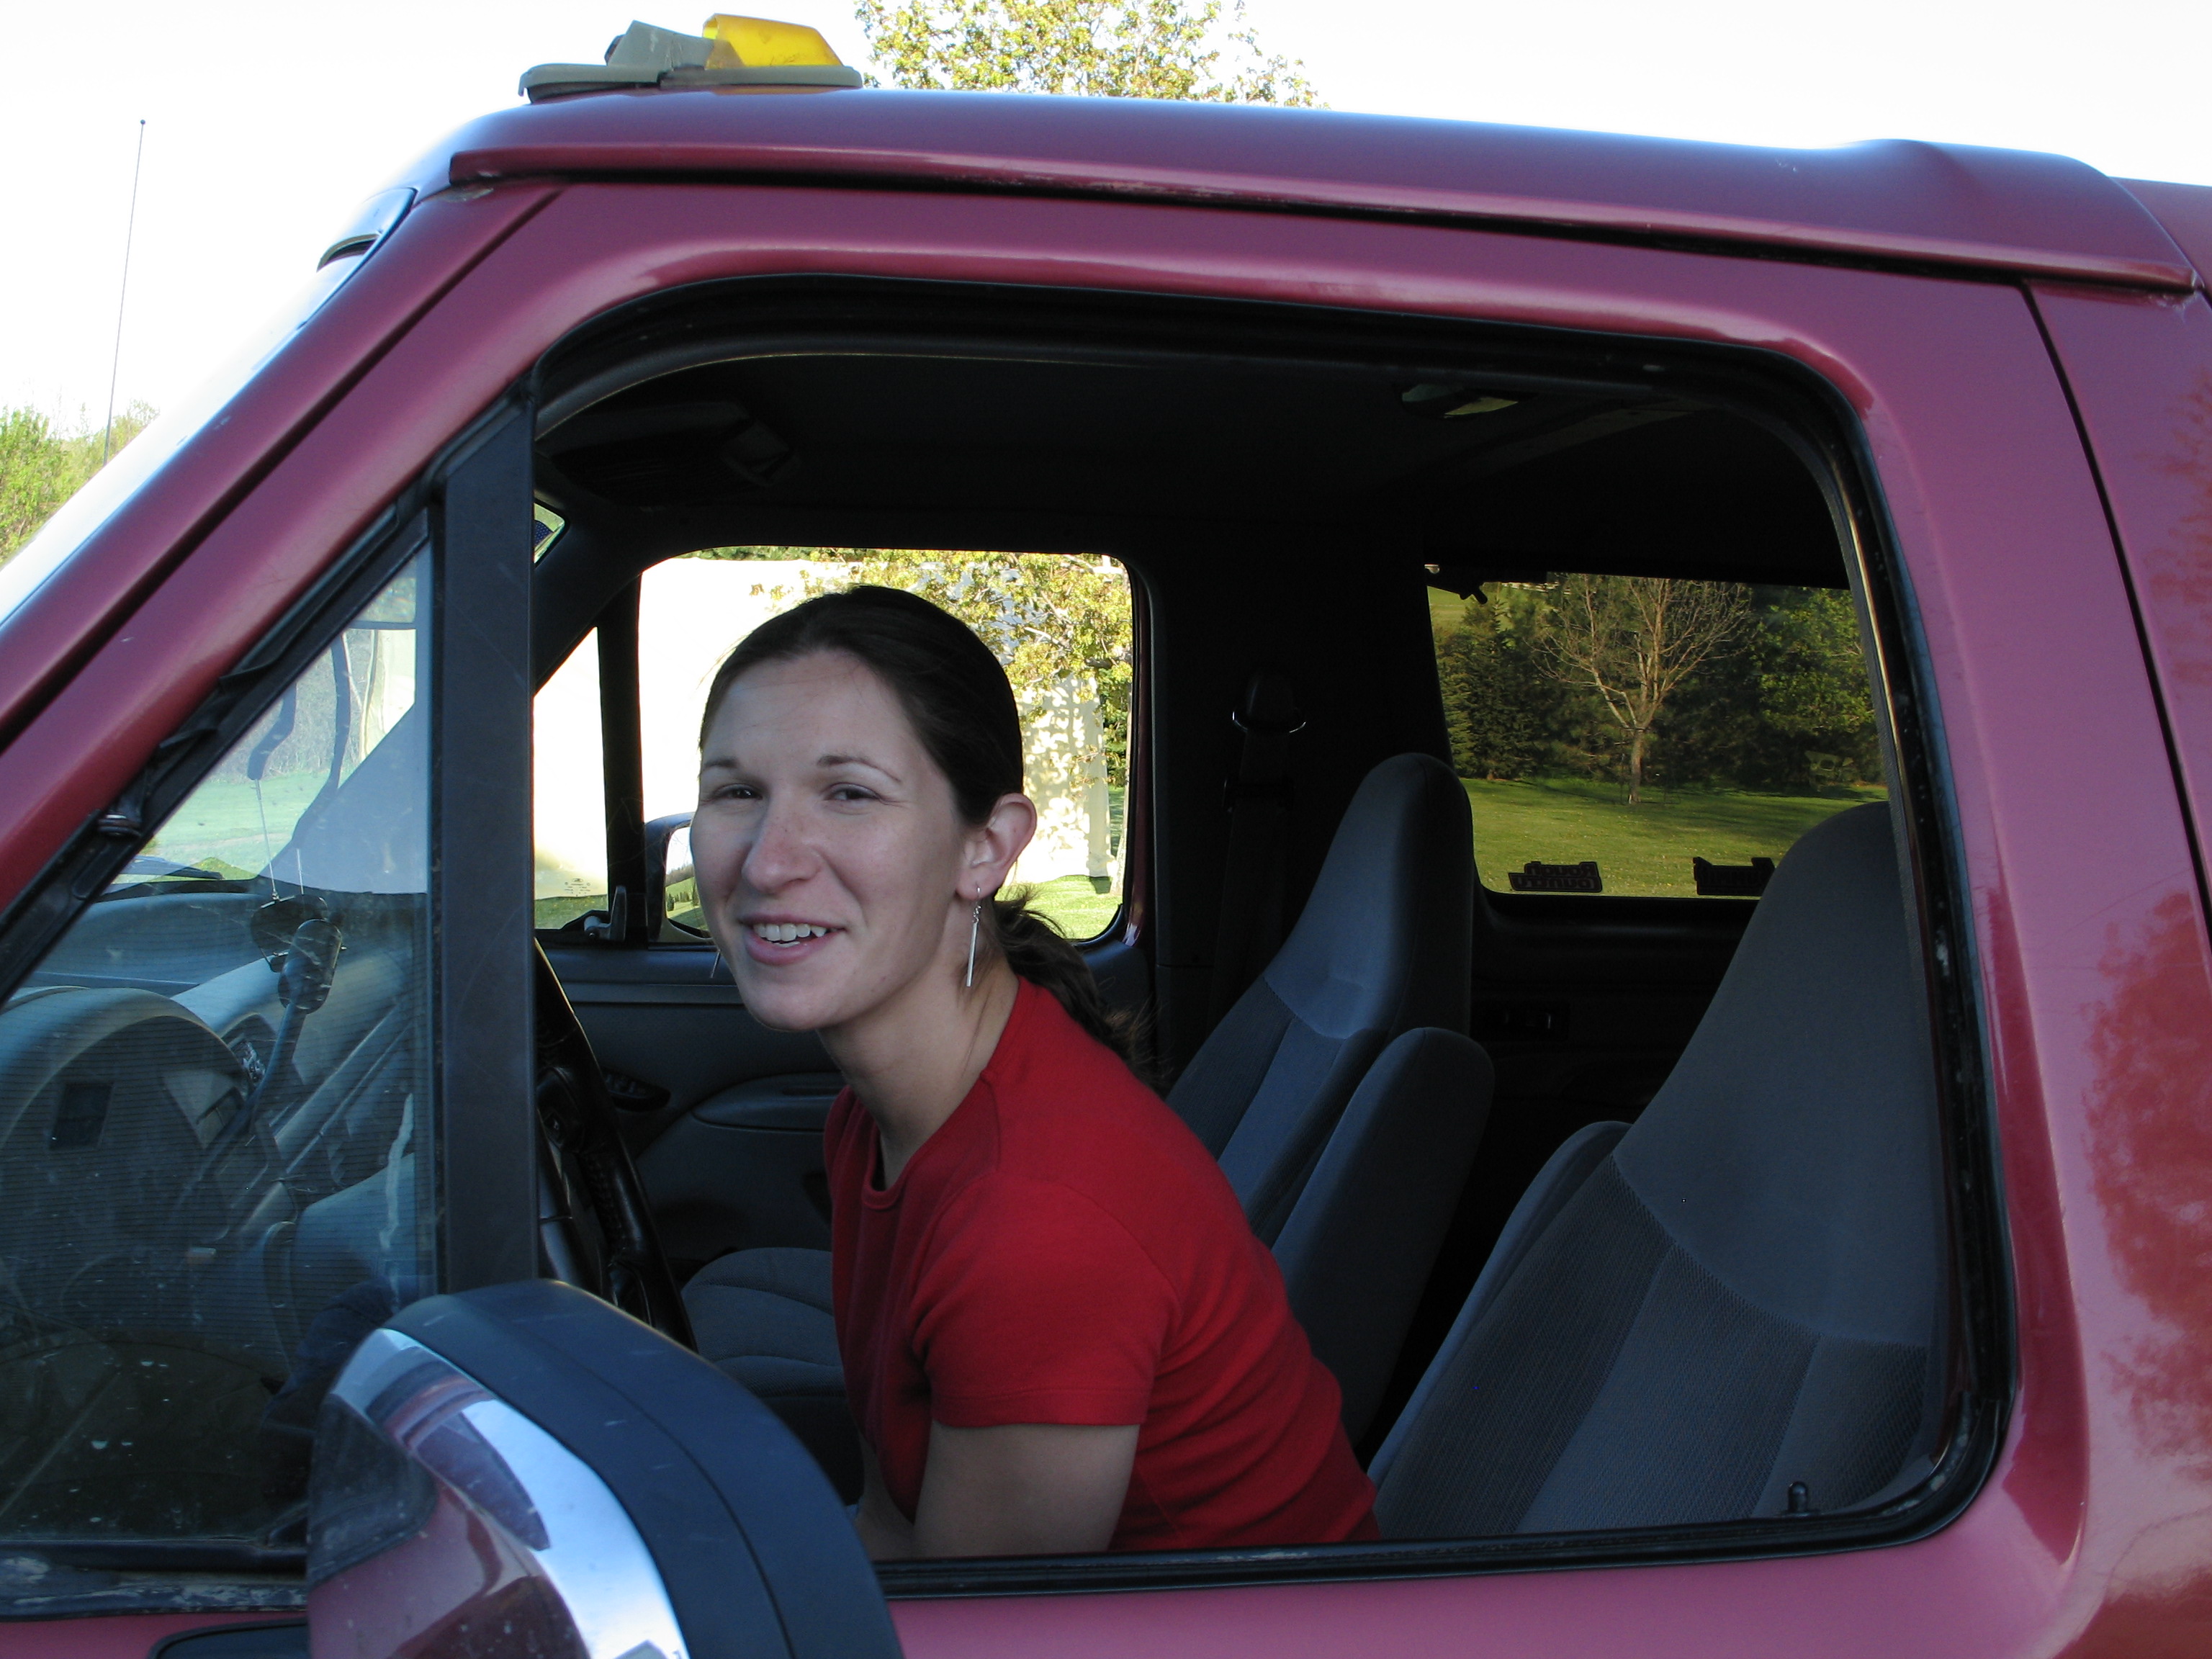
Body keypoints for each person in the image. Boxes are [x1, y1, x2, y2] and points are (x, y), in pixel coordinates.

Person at [689, 585, 1377, 1559]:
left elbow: (976, 1623)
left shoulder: (1038, 1217)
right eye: (737, 792)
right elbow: (891, 1520)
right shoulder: (874, 1118)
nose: (767, 863)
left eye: (850, 793)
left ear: (986, 848)